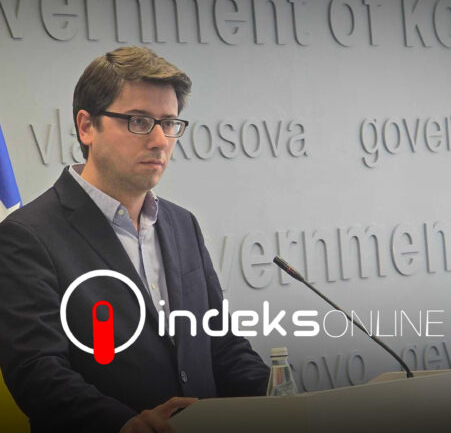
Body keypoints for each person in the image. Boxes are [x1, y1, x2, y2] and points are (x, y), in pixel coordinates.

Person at [0, 46, 270, 433]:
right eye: (140, 121)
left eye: (169, 123)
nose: (160, 140)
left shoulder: (183, 224)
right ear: (86, 126)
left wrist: (285, 401)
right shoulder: (27, 236)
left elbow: (221, 344)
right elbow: (37, 370)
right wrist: (125, 424)